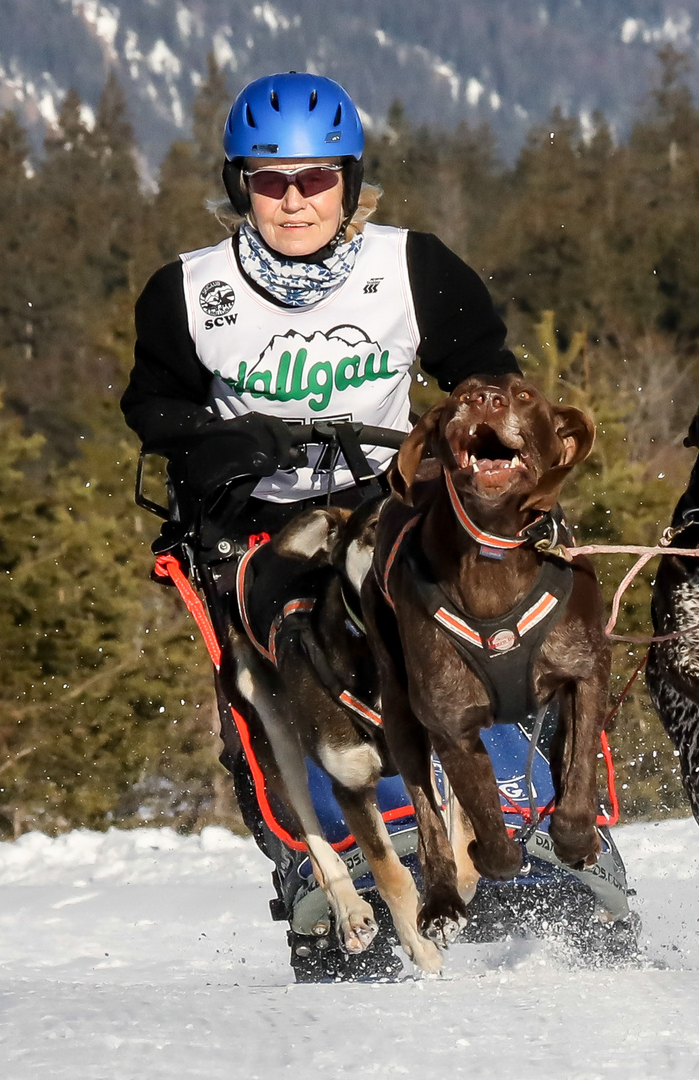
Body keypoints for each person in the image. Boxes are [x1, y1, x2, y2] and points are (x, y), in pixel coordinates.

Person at [120, 71, 520, 968]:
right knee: (272, 678)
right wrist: (229, 443)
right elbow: (154, 408)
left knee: (469, 622)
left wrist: (474, 435)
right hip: (252, 519)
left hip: (386, 495)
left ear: (348, 180)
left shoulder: (411, 267)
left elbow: (487, 375)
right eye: (270, 180)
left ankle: (517, 817)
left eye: (314, 179)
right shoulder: (186, 291)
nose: (294, 200)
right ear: (239, 186)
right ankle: (317, 862)